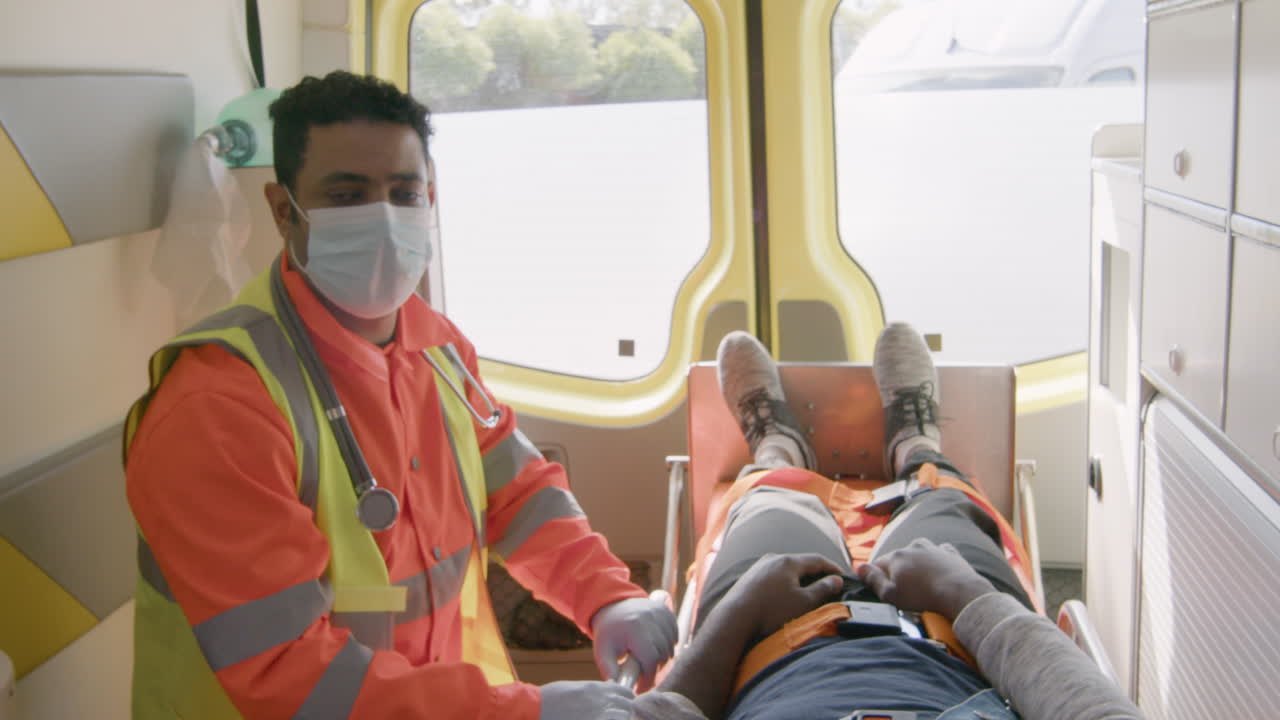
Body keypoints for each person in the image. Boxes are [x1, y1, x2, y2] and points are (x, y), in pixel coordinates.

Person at [124, 71, 674, 720]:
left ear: (430, 200)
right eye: (347, 194)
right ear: (281, 208)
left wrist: (608, 598)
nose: (382, 219)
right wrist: (527, 713)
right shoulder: (217, 408)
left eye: (404, 193)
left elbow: (520, 498)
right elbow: (286, 673)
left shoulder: (439, 350)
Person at [626, 324, 1144, 720]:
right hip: (958, 640)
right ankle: (917, 448)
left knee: (774, 505)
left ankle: (777, 450)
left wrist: (742, 610)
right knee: (938, 506)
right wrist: (967, 595)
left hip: (765, 642)